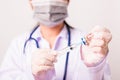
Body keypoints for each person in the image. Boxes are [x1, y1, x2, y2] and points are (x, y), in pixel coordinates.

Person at [0, 0, 112, 80]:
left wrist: (95, 69)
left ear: (68, 0)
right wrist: (34, 77)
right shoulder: (18, 45)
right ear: (30, 1)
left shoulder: (90, 45)